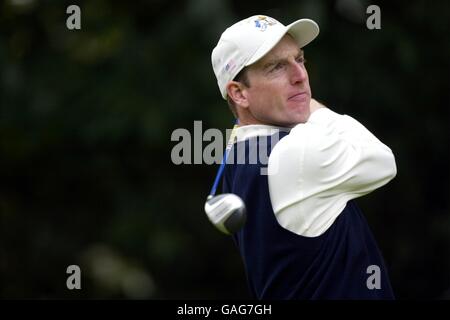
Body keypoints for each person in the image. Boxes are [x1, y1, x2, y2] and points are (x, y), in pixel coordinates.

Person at [210, 15, 397, 299]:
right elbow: (382, 161)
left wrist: (290, 98)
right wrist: (308, 104)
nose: (300, 76)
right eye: (276, 67)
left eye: (300, 60)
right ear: (239, 93)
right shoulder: (293, 153)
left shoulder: (239, 156)